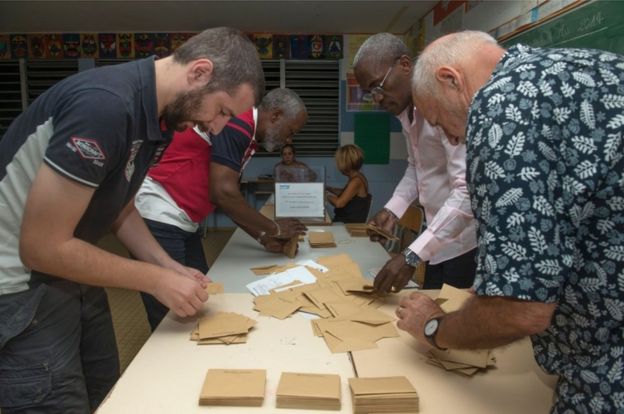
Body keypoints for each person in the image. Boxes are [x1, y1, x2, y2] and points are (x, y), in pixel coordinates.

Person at [0, 27, 264, 412]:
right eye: (222, 110)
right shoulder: (104, 106)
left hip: (72, 274)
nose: (217, 127)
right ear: (199, 73)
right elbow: (42, 247)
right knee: (56, 400)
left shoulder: (158, 120)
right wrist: (155, 279)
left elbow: (119, 206)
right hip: (21, 289)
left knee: (106, 392)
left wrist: (168, 265)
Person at [401, 30, 624, 414]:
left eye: (439, 120)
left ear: (451, 79)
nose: (451, 139)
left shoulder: (503, 108)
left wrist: (435, 328)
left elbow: (520, 309)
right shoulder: (593, 66)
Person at [135, 88, 309, 329]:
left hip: (181, 218)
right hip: (160, 212)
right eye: (291, 132)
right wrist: (274, 227)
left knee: (202, 297)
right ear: (276, 115)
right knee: (171, 309)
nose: (288, 140)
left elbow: (228, 198)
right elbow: (222, 193)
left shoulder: (247, 135)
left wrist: (262, 236)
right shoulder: (238, 122)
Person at [353, 33, 477, 292]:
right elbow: (417, 167)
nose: (376, 99)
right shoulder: (406, 113)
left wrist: (412, 254)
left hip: (464, 243)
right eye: (369, 93)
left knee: (449, 320)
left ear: (405, 65)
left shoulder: (442, 106)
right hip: (435, 239)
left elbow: (466, 190)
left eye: (378, 86)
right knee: (428, 311)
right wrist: (393, 210)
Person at [326, 144, 371, 223]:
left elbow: (339, 203)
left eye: (338, 162)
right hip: (346, 220)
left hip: (348, 223)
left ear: (344, 164)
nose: (337, 165)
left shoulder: (356, 181)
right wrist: (329, 188)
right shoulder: (358, 176)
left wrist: (324, 195)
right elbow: (347, 193)